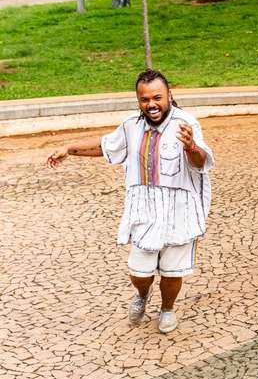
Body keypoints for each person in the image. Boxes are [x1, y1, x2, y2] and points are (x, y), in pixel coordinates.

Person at [46, 69, 214, 333]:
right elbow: (106, 146)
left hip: (179, 210)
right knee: (139, 271)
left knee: (172, 272)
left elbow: (201, 163)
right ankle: (142, 294)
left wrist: (191, 147)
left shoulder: (186, 123)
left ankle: (167, 309)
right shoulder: (130, 126)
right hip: (144, 210)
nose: (151, 105)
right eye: (144, 99)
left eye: (157, 97)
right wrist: (70, 148)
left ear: (169, 95)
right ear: (139, 101)